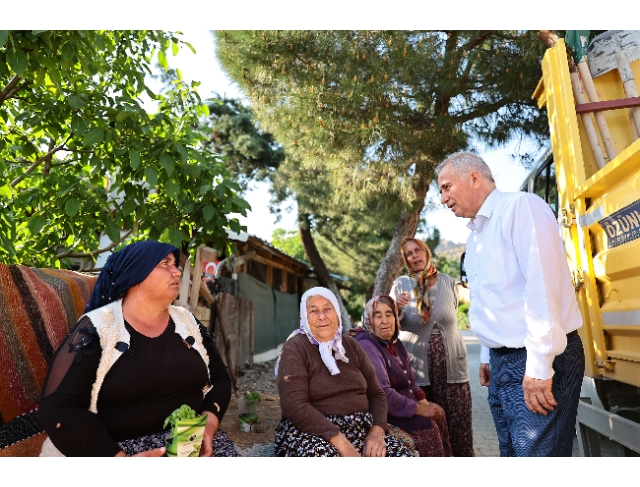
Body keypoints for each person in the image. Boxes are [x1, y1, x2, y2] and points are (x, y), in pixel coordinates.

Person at [436, 151, 584, 457]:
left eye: (446, 187)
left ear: (474, 177)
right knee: (513, 455)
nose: (442, 199)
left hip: (537, 359)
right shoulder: (477, 235)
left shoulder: (519, 208)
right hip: (505, 364)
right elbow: (494, 299)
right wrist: (489, 354)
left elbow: (542, 287)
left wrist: (540, 366)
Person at [38, 240, 238, 457]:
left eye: (175, 264)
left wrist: (208, 426)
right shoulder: (99, 328)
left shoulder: (186, 321)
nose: (177, 272)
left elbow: (220, 379)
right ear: (135, 274)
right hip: (119, 449)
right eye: (165, 263)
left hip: (189, 444)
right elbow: (57, 409)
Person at [274, 287, 413, 457]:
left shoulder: (351, 345)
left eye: (327, 308)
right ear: (304, 316)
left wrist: (377, 431)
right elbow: (294, 406)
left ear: (337, 312)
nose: (322, 316)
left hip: (361, 428)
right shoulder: (296, 347)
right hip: (312, 432)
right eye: (313, 310)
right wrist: (342, 443)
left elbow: (377, 394)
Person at [390, 237, 474, 457]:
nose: (414, 256)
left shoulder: (448, 282)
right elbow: (387, 324)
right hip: (417, 368)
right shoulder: (401, 285)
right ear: (405, 259)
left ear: (426, 252)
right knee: (426, 424)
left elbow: (451, 316)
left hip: (451, 365)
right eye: (409, 254)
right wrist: (396, 308)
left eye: (418, 250)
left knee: (457, 424)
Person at [350, 294, 453, 457]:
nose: (384, 321)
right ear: (369, 320)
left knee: (438, 412)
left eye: (389, 314)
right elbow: (382, 394)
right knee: (428, 424)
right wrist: (420, 410)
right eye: (378, 316)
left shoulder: (394, 342)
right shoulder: (367, 345)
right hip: (384, 412)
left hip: (404, 405)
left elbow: (411, 381)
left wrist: (426, 406)